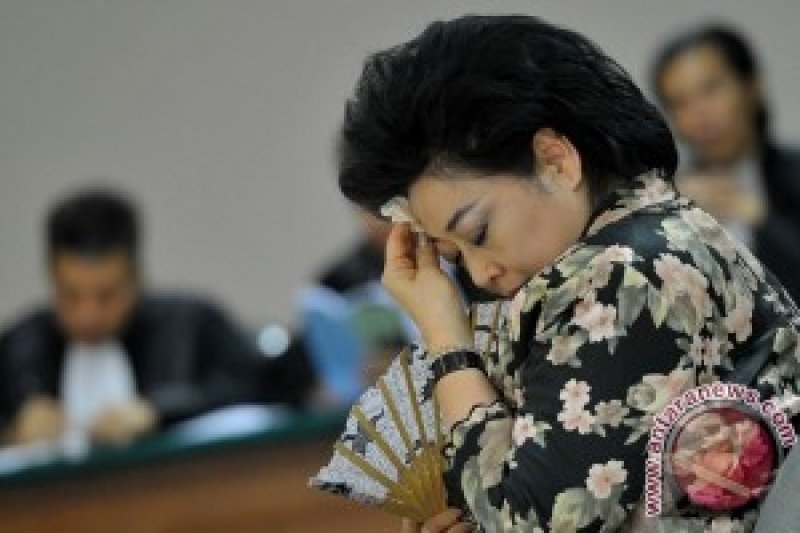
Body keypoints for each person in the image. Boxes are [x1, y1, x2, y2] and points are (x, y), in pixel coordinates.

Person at [336, 15, 800, 532]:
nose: (480, 273)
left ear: (555, 160)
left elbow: (529, 523)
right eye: (454, 254)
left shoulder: (624, 276)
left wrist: (448, 342)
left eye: (479, 231)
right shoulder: (651, 238)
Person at [0, 188, 307, 447]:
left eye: (106, 296)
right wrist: (12, 432)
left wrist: (159, 411)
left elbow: (259, 385)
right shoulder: (18, 348)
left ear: (136, 279)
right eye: (71, 295)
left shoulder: (192, 325)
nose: (88, 316)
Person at [651, 24, 800, 303]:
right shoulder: (666, 199)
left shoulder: (794, 174)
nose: (700, 115)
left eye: (711, 90)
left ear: (752, 86)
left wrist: (757, 216)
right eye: (680, 103)